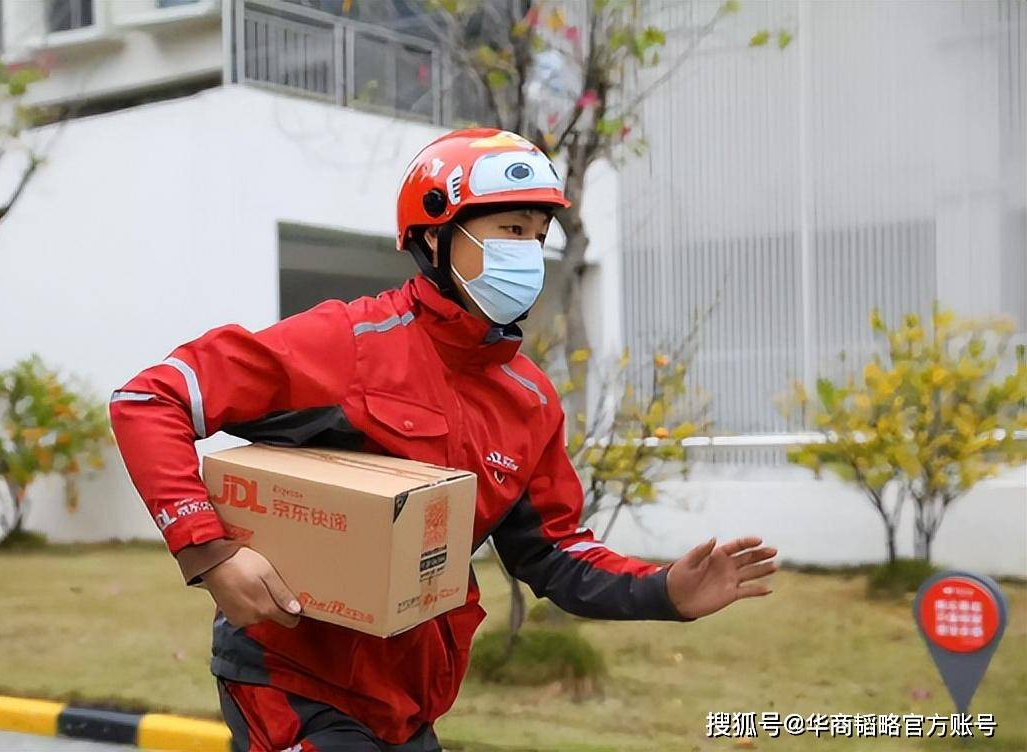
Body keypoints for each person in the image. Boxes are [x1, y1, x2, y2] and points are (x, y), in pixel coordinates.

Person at [109, 128, 777, 752]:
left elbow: (554, 555)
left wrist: (663, 592)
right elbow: (148, 399)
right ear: (434, 238)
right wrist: (210, 553)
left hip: (409, 700)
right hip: (291, 676)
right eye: (510, 230)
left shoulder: (531, 401)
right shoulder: (346, 345)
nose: (528, 253)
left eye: (537, 236)